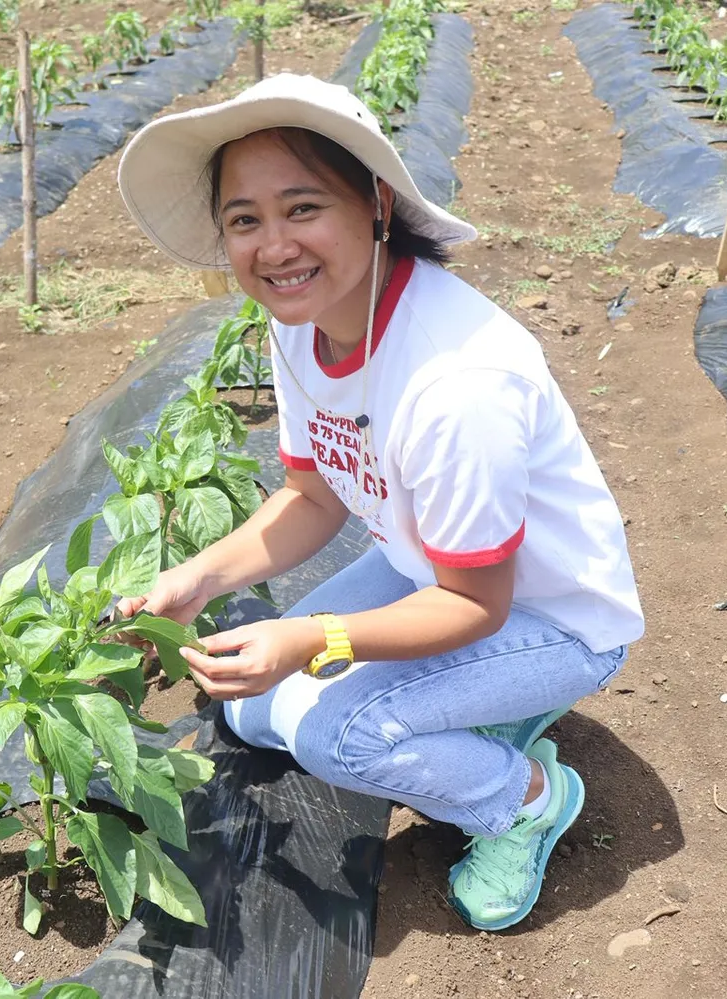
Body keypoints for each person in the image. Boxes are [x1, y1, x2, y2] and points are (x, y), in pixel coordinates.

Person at [114, 73, 643, 930]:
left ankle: (530, 798)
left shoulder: (455, 382)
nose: (273, 245)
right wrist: (198, 578)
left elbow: (476, 602)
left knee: (336, 738)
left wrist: (313, 638)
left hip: (553, 618)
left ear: (378, 205)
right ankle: (485, 712)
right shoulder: (302, 322)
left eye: (302, 207)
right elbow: (312, 498)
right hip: (423, 571)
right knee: (251, 711)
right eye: (245, 219)